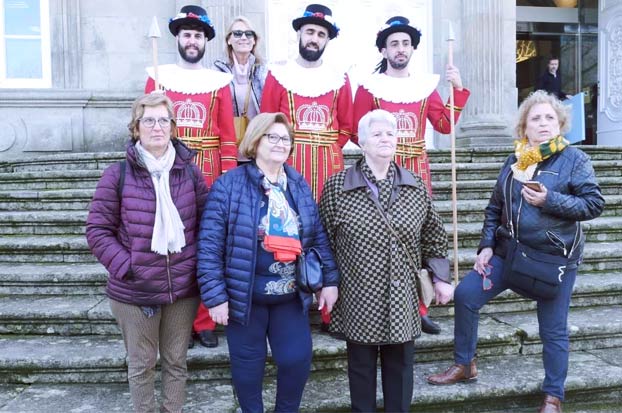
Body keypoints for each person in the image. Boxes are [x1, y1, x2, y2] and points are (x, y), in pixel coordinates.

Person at [427, 90, 604, 413]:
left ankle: (553, 396)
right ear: (525, 127)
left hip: (552, 260)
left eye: (550, 117)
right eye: (536, 118)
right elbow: (495, 207)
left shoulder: (574, 160)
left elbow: (593, 204)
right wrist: (486, 246)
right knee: (466, 295)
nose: (543, 123)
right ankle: (465, 364)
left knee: (552, 328)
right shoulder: (515, 160)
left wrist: (550, 200)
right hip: (508, 254)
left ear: (560, 123)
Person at [196, 112, 340, 413]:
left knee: (296, 359)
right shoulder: (228, 186)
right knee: (248, 369)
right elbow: (209, 246)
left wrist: (329, 280)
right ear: (255, 141)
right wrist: (215, 297)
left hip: (290, 295)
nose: (279, 143)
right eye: (271, 137)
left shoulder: (297, 185)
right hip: (245, 299)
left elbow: (317, 237)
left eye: (285, 139)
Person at [319, 109, 455, 412]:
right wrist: (327, 282)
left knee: (401, 367)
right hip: (358, 293)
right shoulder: (338, 186)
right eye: (376, 133)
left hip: (401, 294)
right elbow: (323, 241)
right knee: (361, 367)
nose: (385, 138)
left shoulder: (414, 185)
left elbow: (433, 235)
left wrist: (441, 278)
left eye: (390, 133)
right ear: (362, 142)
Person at [86, 93, 209, 413]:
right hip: (134, 291)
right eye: (149, 120)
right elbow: (97, 231)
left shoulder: (189, 172)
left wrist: (195, 264)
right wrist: (128, 267)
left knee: (176, 363)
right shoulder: (117, 175)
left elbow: (208, 222)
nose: (157, 127)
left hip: (182, 289)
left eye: (164, 120)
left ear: (172, 127)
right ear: (136, 127)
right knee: (141, 366)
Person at [352, 16, 470, 335]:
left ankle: (419, 308)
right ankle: (375, 306)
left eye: (405, 43)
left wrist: (457, 91)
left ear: (412, 48)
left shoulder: (425, 87)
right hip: (379, 171)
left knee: (416, 239)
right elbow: (355, 130)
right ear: (383, 49)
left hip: (416, 169)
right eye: (394, 43)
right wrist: (378, 152)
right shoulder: (368, 87)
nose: (400, 49)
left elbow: (444, 125)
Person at [145, 5, 236, 348]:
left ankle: (205, 319)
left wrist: (227, 178)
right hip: (168, 169)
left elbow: (228, 134)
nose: (192, 40)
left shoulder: (219, 82)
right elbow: (147, 127)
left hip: (208, 168)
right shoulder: (158, 75)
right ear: (178, 39)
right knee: (172, 247)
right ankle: (175, 323)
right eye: (187, 34)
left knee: (206, 244)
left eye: (198, 35)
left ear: (205, 41)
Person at [260, 3, 353, 201]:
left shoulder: (339, 77)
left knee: (329, 218)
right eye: (310, 32)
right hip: (288, 160)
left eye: (321, 34)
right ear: (299, 34)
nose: (314, 39)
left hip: (329, 164)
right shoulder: (278, 75)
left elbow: (346, 126)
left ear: (327, 40)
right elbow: (266, 122)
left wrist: (330, 149)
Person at [213, 16, 267, 163]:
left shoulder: (264, 71)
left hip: (258, 148)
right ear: (229, 40)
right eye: (237, 33)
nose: (243, 37)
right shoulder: (217, 72)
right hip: (228, 149)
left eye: (249, 34)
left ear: (255, 40)